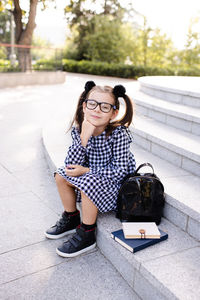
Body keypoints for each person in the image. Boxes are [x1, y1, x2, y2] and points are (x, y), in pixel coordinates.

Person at [45, 81, 136, 258]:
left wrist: (86, 171)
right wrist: (84, 137)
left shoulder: (118, 135)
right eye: (92, 104)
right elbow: (71, 165)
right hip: (92, 179)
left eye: (105, 107)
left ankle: (87, 233)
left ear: (114, 113)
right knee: (61, 174)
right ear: (84, 106)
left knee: (88, 180)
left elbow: (120, 172)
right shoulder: (79, 130)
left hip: (114, 184)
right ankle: (71, 217)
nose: (96, 110)